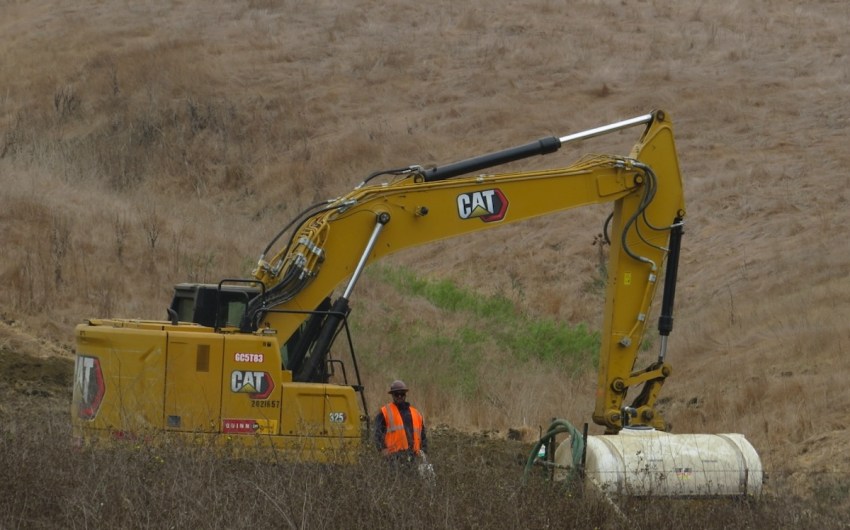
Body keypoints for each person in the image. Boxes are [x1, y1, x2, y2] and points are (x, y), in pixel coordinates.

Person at [374, 380, 428, 463]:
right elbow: (377, 434)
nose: (399, 396)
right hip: (393, 459)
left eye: (402, 394)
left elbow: (423, 436)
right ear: (392, 395)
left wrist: (424, 452)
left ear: (405, 395)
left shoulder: (416, 413)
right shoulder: (385, 412)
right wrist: (382, 449)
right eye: (396, 394)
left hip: (414, 458)